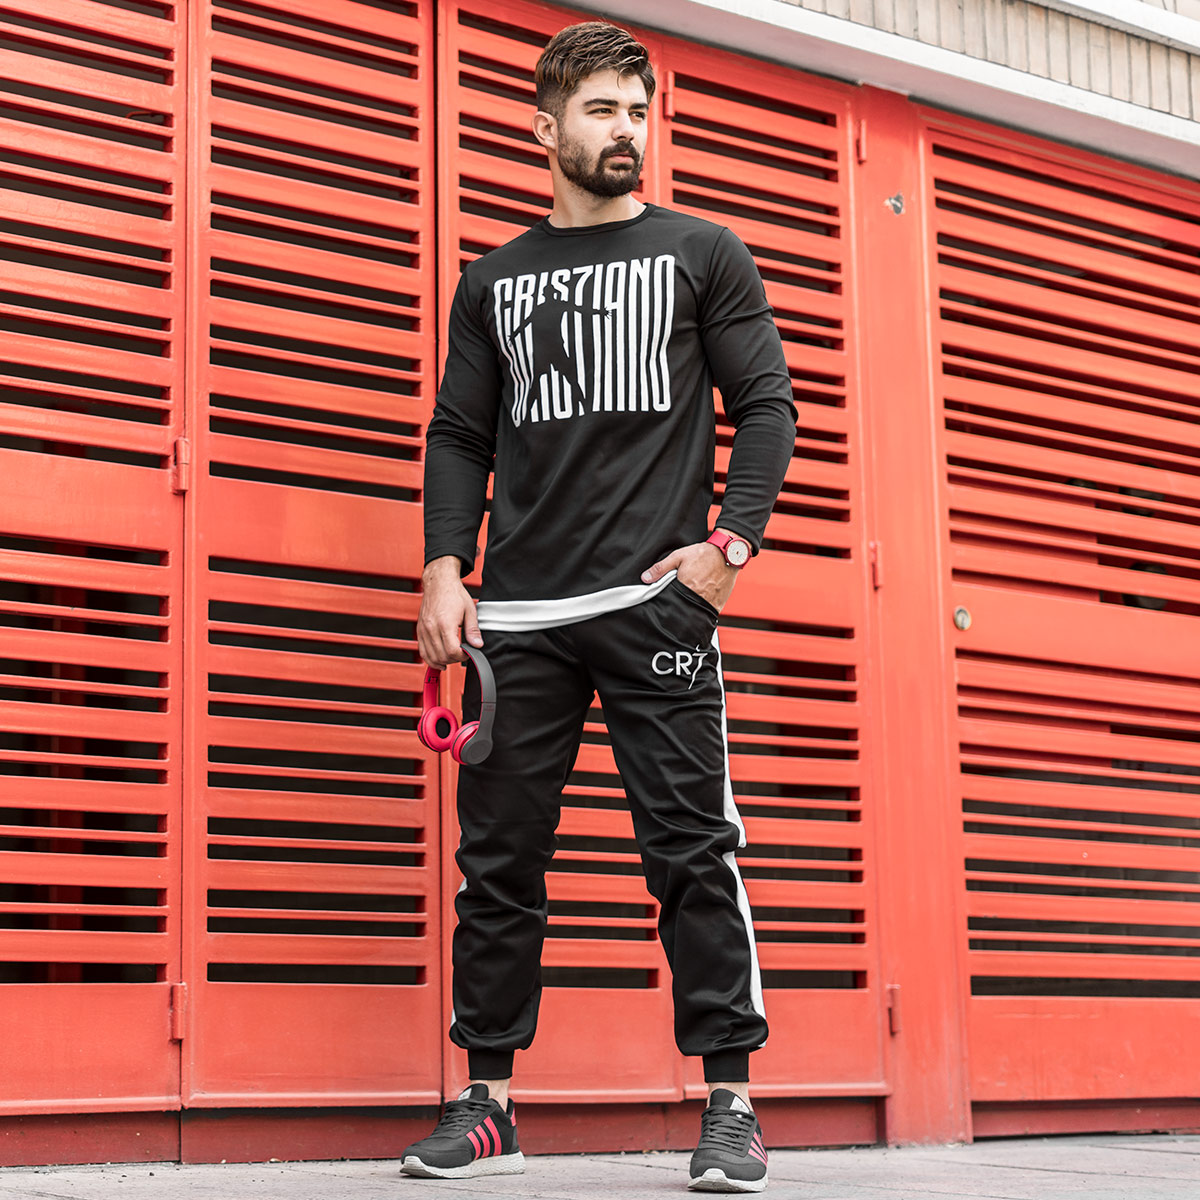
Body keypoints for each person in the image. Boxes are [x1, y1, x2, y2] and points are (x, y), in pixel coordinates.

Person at [402, 20, 796, 1194]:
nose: (627, 131)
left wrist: (729, 546)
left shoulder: (704, 252)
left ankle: (731, 1106)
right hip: (519, 622)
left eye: (638, 111)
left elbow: (768, 407)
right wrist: (443, 570)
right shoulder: (493, 281)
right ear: (546, 128)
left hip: (654, 607)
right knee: (498, 866)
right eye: (602, 111)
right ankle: (488, 1106)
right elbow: (460, 434)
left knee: (692, 852)